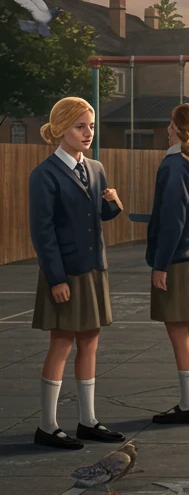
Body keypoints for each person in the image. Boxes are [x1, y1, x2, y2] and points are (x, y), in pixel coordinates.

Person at [28, 96, 125, 450]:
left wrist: (112, 204)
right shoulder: (44, 174)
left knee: (90, 342)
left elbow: (95, 216)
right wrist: (56, 279)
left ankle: (88, 420)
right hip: (66, 272)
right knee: (61, 342)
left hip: (93, 269)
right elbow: (43, 232)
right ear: (60, 129)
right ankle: (47, 425)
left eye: (91, 126)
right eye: (80, 126)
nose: (88, 133)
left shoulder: (96, 168)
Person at [146, 103, 189, 425]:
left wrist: (161, 264)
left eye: (170, 123)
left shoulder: (175, 164)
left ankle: (188, 406)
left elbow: (172, 219)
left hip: (175, 260)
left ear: (175, 127)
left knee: (177, 330)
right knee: (188, 331)